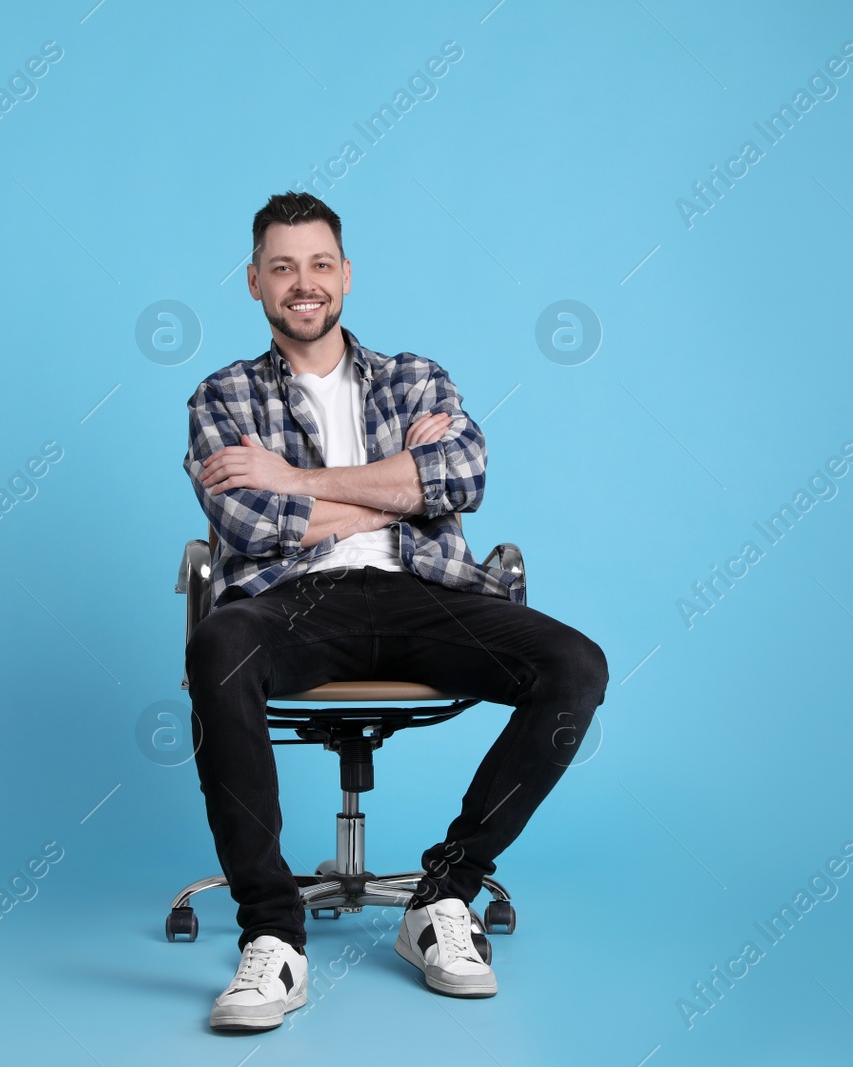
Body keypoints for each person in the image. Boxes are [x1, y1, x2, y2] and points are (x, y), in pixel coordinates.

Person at [183, 192, 609, 1030]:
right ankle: (273, 933)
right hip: (291, 601)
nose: (302, 284)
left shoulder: (415, 376)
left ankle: (443, 895)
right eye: (281, 268)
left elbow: (460, 480)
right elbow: (248, 525)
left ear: (345, 274)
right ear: (254, 283)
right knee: (219, 644)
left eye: (318, 264)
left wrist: (296, 479)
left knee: (576, 666)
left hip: (425, 593)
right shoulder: (221, 394)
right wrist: (397, 486)